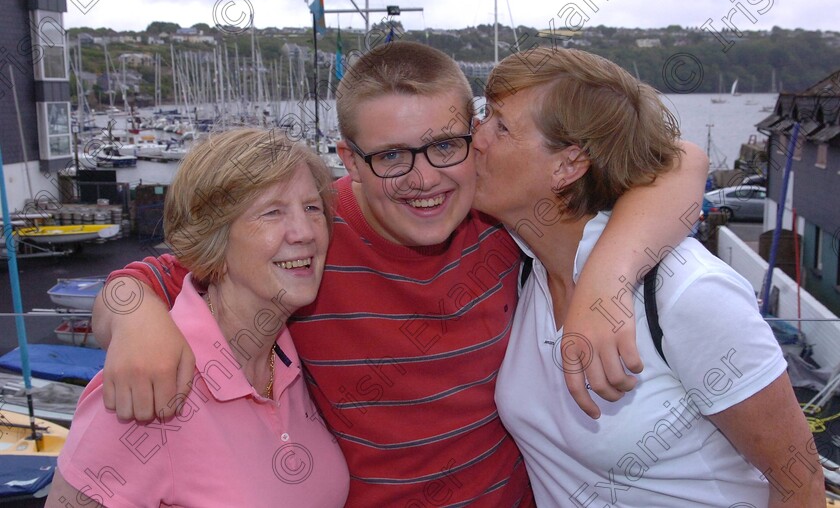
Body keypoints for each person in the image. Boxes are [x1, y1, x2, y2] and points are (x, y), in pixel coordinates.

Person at [91, 41, 709, 505]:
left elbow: (680, 160)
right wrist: (135, 317)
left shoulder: (497, 219)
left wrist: (607, 281)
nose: (423, 179)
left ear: (474, 141)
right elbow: (156, 276)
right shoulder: (308, 236)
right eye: (390, 156)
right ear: (349, 162)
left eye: (444, 145)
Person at [472, 47, 823, 506]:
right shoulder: (527, 271)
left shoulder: (685, 292)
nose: (476, 137)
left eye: (500, 126)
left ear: (569, 165)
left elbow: (800, 479)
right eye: (484, 116)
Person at [47, 129, 349, 507]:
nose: (305, 232)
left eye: (311, 207)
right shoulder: (151, 386)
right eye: (272, 211)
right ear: (215, 239)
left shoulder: (288, 359)